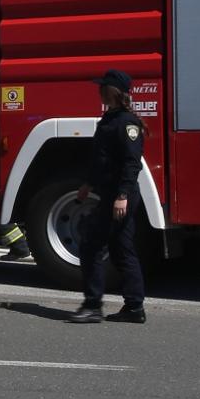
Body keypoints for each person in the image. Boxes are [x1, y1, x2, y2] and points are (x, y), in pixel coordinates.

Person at [69, 69, 147, 324]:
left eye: (102, 87)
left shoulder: (126, 123)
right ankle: (134, 307)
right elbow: (101, 160)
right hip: (110, 192)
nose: (98, 90)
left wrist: (122, 195)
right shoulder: (110, 119)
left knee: (91, 246)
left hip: (119, 195)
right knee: (121, 248)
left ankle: (93, 306)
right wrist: (88, 185)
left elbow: (131, 163)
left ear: (111, 91)